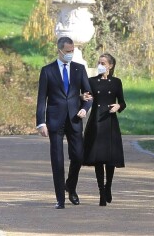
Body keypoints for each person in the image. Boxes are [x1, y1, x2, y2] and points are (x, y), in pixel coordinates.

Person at [36, 36, 92, 209]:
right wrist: (41, 122)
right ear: (59, 51)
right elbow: (41, 100)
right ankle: (60, 199)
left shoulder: (79, 69)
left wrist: (85, 107)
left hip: (74, 119)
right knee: (57, 160)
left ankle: (70, 186)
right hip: (55, 120)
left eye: (72, 51)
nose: (70, 54)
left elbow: (88, 95)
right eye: (67, 51)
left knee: (79, 156)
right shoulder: (47, 71)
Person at [83, 53, 126, 206]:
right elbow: (86, 97)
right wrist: (83, 98)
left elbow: (122, 102)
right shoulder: (91, 81)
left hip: (110, 121)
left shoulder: (116, 82)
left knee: (110, 159)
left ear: (110, 65)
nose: (100, 65)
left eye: (103, 63)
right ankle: (101, 191)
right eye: (99, 62)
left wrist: (118, 106)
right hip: (96, 121)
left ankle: (108, 186)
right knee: (98, 159)